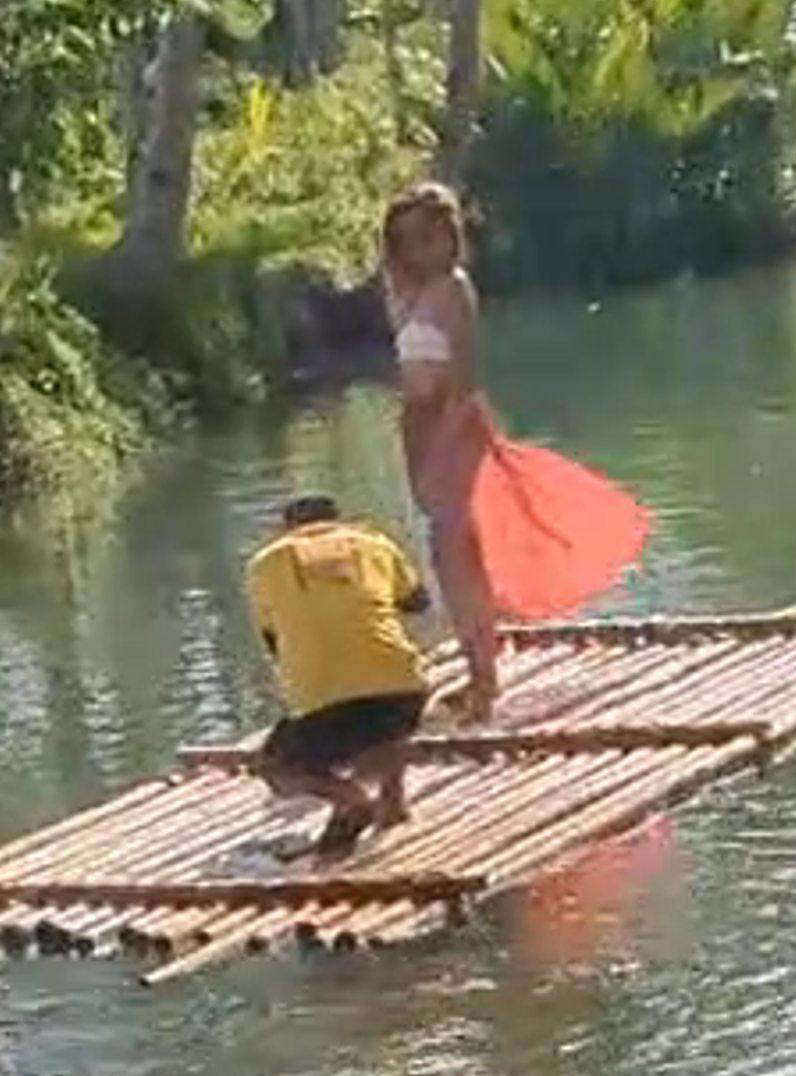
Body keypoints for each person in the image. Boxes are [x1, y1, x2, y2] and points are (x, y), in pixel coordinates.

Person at [377, 181, 648, 730]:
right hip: (420, 425)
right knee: (450, 559)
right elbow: (410, 378)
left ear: (451, 236)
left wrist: (446, 448)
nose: (424, 249)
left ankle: (483, 684)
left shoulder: (453, 289)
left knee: (458, 561)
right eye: (410, 240)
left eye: (434, 236)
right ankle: (480, 674)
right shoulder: (408, 293)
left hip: (452, 425)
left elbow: (464, 377)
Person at [245, 485, 432, 850]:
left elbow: (274, 641)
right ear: (337, 520)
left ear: (287, 528)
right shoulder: (374, 544)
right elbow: (418, 602)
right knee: (387, 715)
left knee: (276, 767)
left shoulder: (264, 564)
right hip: (403, 687)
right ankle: (393, 805)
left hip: (326, 697)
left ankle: (350, 799)